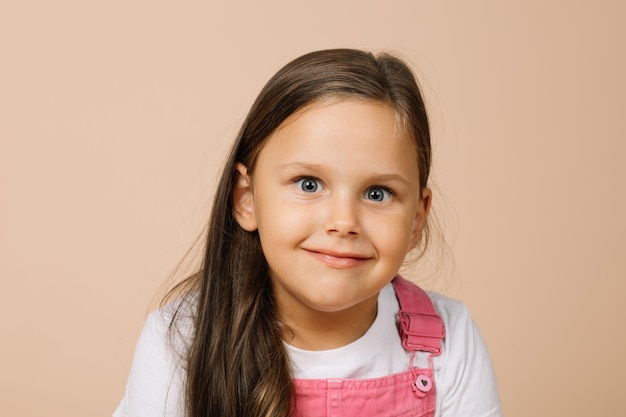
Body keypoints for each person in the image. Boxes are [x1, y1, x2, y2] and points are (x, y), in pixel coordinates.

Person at [113, 48, 502, 417]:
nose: (344, 221)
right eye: (309, 184)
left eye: (377, 193)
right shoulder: (181, 338)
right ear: (246, 199)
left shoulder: (450, 339)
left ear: (416, 219)